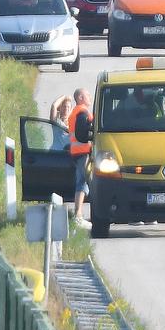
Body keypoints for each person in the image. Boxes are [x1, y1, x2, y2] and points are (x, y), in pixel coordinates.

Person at [67, 88, 92, 227]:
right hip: (82, 152)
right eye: (87, 95)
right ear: (81, 97)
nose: (90, 97)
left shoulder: (76, 112)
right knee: (82, 182)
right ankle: (78, 216)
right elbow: (84, 135)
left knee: (82, 182)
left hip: (76, 152)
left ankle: (78, 215)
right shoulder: (82, 112)